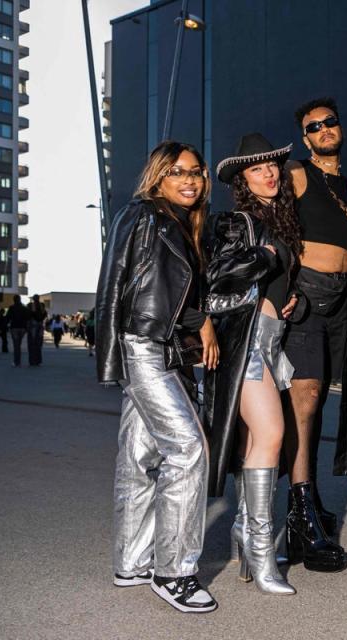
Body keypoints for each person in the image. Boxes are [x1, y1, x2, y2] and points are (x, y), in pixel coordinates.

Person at [95, 140, 219, 613]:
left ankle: (131, 562)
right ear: (158, 177)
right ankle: (175, 573)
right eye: (178, 172)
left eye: (196, 171)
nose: (190, 180)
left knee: (139, 455)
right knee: (188, 450)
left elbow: (171, 291)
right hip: (144, 345)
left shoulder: (181, 224)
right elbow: (117, 283)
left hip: (159, 347)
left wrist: (198, 317)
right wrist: (199, 319)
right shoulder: (145, 216)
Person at [204, 133, 310, 594]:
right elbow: (221, 274)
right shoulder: (237, 221)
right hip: (245, 343)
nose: (268, 173)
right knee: (271, 434)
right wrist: (263, 257)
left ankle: (248, 534)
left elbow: (277, 286)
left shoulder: (281, 222)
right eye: (256, 169)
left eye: (272, 167)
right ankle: (262, 552)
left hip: (271, 340)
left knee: (256, 444)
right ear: (243, 180)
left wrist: (293, 300)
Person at [283, 97, 347, 543]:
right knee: (304, 397)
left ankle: (309, 494)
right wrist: (279, 290)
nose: (323, 129)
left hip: (342, 303)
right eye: (314, 126)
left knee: (318, 402)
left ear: (340, 128)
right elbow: (273, 224)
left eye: (329, 122)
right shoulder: (297, 174)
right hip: (306, 295)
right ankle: (299, 509)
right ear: (306, 137)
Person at [6, 296, 28, 367]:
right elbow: (27, 317)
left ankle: (16, 362)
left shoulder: (11, 308)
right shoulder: (24, 308)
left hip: (14, 327)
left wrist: (5, 325)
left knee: (16, 345)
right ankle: (18, 362)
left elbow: (8, 317)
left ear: (14, 300)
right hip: (22, 328)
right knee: (18, 344)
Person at [26, 294, 46, 366]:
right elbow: (44, 315)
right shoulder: (42, 305)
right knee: (38, 345)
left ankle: (32, 361)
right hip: (40, 327)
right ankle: (38, 361)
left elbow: (27, 315)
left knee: (31, 344)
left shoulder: (29, 305)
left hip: (32, 326)